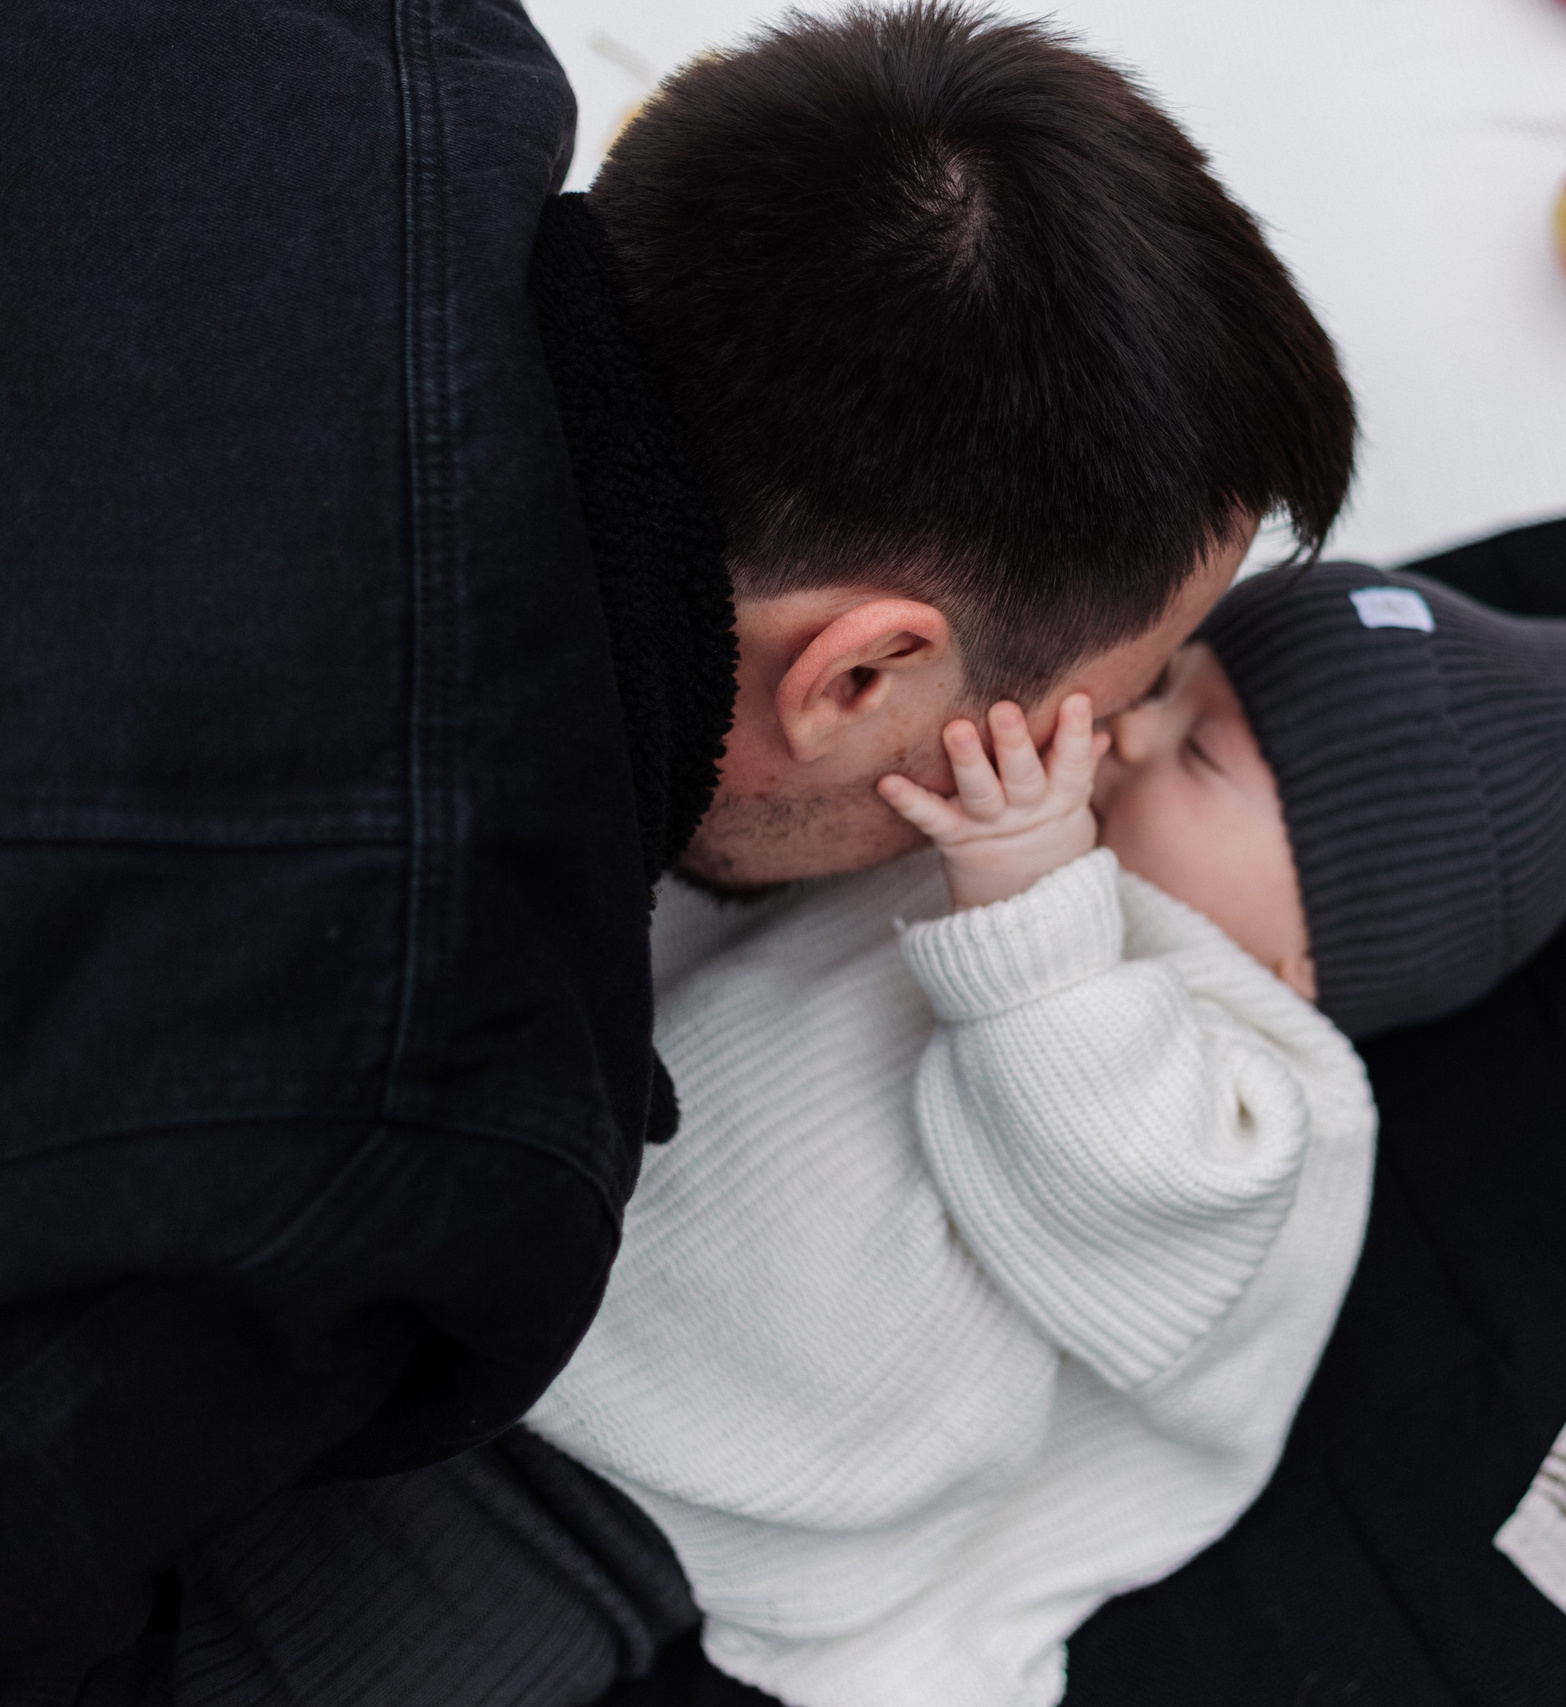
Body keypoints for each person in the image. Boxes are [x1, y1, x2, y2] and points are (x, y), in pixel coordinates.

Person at [0, 3, 1353, 1697]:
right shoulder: (414, 1119)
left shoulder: (365, 39)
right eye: (1094, 708)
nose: (1092, 766)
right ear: (860, 673)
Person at [531, 565, 1566, 1706]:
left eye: (1199, 749)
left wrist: (1026, 900)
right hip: (515, 1245)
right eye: (1159, 691)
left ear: (1308, 954)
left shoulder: (1267, 1096)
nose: (1122, 737)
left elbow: (1116, 1171)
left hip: (658, 1503)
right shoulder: (1019, 854)